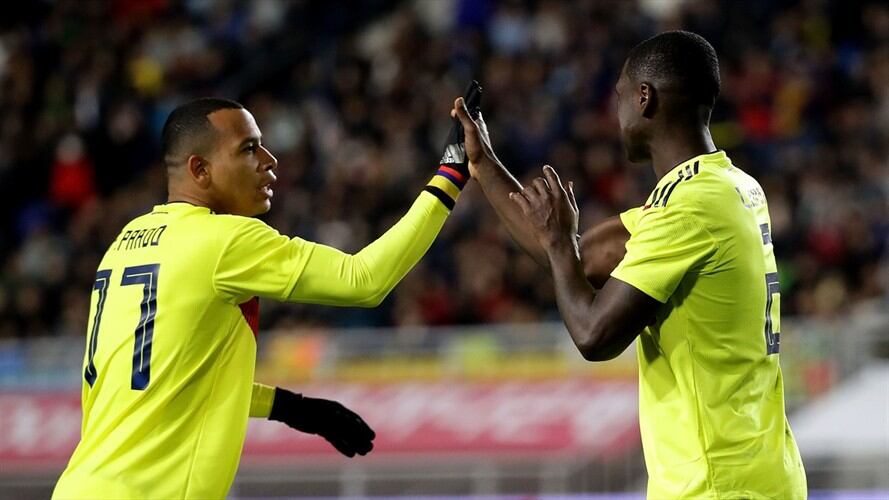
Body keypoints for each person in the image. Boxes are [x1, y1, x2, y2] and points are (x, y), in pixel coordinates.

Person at [53, 97, 472, 499]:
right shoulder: (224, 238)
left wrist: (291, 407)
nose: (270, 161)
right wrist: (451, 173)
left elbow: (174, 381)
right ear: (200, 169)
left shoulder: (126, 243)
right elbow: (363, 280)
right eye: (249, 149)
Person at [453, 32, 807, 498]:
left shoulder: (688, 211)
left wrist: (560, 245)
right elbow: (575, 258)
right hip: (755, 473)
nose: (614, 111)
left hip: (716, 483)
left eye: (619, 94)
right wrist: (484, 164)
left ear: (645, 97)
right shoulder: (726, 188)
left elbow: (593, 334)